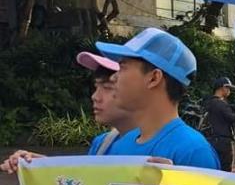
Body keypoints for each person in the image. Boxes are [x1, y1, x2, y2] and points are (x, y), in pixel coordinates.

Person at [94, 28, 220, 169]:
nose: (113, 77)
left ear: (154, 78)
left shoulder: (193, 152)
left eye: (123, 67)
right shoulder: (121, 145)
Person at [1, 51, 135, 173]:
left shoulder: (148, 146)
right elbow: (85, 182)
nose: (95, 96)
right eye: (96, 87)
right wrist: (37, 165)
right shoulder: (103, 143)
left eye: (107, 87)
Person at [203, 77, 235, 171]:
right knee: (225, 170)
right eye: (228, 88)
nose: (229, 91)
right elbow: (233, 119)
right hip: (223, 142)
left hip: (211, 140)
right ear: (223, 88)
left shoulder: (209, 102)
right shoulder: (221, 104)